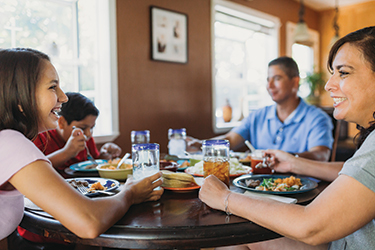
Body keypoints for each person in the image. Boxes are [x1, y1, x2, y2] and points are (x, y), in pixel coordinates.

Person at [199, 26, 375, 250]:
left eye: (344, 72)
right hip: (339, 239)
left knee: (228, 243)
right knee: (234, 243)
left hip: (330, 236)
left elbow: (310, 226)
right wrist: (293, 162)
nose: (328, 85)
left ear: (294, 82)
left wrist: (225, 198)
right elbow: (356, 170)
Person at [0, 48, 163, 248]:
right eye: (53, 87)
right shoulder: (10, 142)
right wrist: (130, 193)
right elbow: (89, 223)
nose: (63, 97)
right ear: (19, 99)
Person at [188, 57, 333, 161]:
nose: (269, 86)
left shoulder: (317, 119)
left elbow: (321, 155)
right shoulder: (258, 115)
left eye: (276, 79)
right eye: (267, 79)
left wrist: (284, 157)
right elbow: (230, 139)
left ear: (295, 82)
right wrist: (201, 144)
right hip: (260, 187)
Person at [33, 92, 122, 175]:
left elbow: (93, 164)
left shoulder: (85, 137)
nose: (88, 133)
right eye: (83, 127)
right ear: (62, 122)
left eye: (91, 128)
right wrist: (67, 152)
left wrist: (105, 155)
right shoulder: (41, 137)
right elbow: (34, 170)